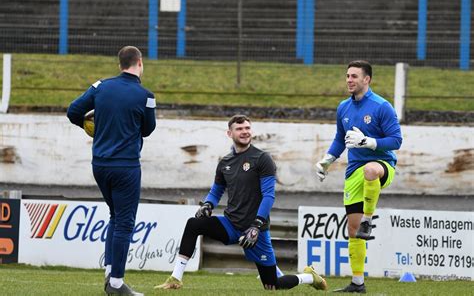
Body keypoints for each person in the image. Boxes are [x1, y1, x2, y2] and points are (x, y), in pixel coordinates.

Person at [155, 115, 327, 291]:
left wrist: (256, 225)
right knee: (194, 224)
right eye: (239, 129)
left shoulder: (262, 159)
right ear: (229, 133)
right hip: (230, 224)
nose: (245, 132)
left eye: (247, 128)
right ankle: (175, 278)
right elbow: (216, 190)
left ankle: (308, 276)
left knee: (272, 285)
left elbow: (269, 196)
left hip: (254, 229)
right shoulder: (225, 162)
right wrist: (208, 205)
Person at [67, 46, 156, 296]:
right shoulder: (146, 95)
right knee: (125, 223)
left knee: (115, 218)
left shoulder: (100, 86)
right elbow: (148, 129)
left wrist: (89, 125)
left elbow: (73, 111)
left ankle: (110, 273)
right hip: (126, 166)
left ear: (120, 64)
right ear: (139, 63)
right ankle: (116, 283)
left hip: (100, 165)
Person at [315, 60, 402, 293]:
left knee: (370, 170)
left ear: (367, 79)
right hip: (354, 171)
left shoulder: (382, 106)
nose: (349, 80)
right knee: (353, 231)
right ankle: (357, 283)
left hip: (382, 165)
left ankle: (369, 219)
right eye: (347, 76)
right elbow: (339, 138)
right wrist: (327, 160)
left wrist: (369, 142)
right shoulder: (343, 107)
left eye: (354, 76)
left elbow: (396, 140)